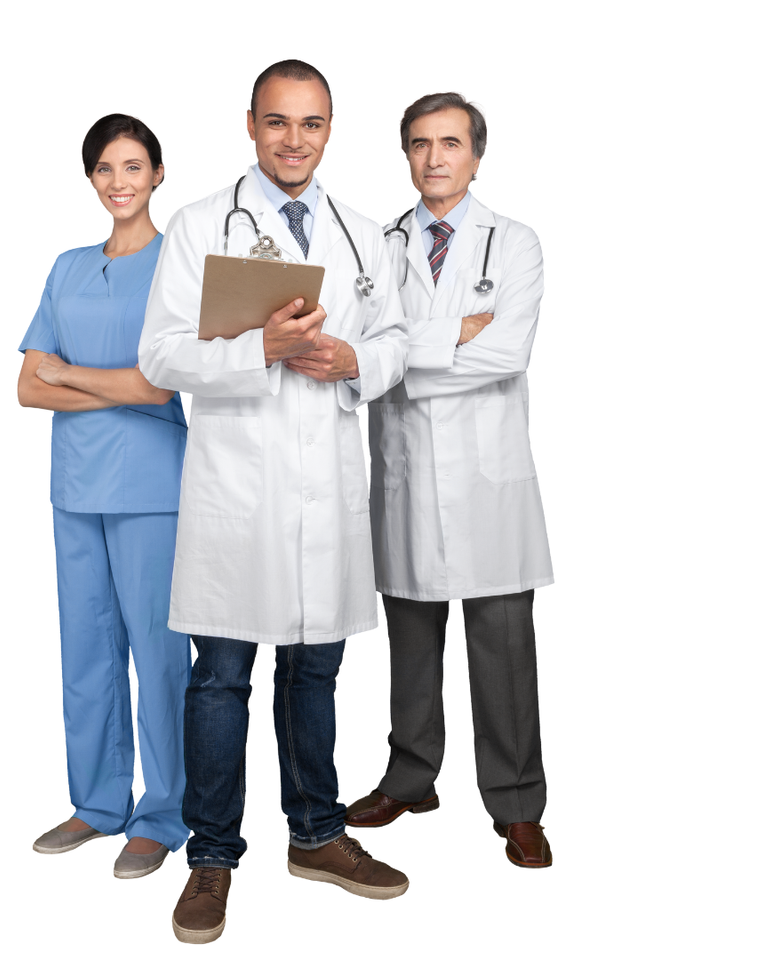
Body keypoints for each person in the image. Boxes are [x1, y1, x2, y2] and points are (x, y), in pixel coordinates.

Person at [138, 60, 410, 944]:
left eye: (312, 123)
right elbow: (160, 356)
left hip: (325, 490)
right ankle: (212, 857)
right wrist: (259, 348)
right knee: (221, 679)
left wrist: (357, 361)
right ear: (251, 124)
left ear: (330, 129)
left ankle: (317, 835)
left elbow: (396, 339)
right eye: (279, 122)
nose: (295, 140)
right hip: (237, 491)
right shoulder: (199, 225)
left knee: (314, 672)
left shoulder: (363, 234)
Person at [344, 93, 555, 869]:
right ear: (406, 154)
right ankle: (411, 779)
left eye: (451, 143)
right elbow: (363, 357)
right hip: (405, 474)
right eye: (420, 144)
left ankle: (517, 804)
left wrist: (407, 350)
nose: (435, 158)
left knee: (503, 649)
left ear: (476, 155)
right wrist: (448, 338)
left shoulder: (516, 243)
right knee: (411, 643)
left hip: (489, 483)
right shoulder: (380, 247)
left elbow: (507, 355)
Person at [18, 114, 191, 880]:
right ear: (91, 178)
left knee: (159, 655)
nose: (119, 182)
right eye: (105, 169)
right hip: (76, 486)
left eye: (133, 166)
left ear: (158, 173)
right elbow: (28, 386)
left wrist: (71, 374)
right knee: (86, 652)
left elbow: (161, 385)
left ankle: (164, 813)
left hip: (153, 487)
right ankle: (96, 803)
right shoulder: (67, 268)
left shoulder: (178, 266)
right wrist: (110, 384)